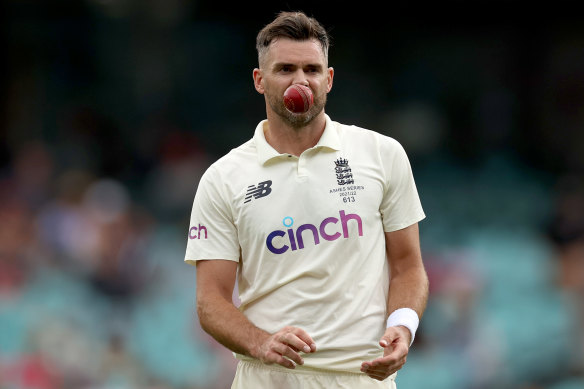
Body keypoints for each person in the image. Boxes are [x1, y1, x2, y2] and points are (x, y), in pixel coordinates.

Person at [185, 11, 428, 389]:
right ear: (259, 80)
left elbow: (408, 265)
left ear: (328, 80)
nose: (301, 81)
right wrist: (260, 342)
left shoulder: (382, 154)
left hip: (360, 378)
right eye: (285, 69)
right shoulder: (223, 178)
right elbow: (210, 301)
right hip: (269, 378)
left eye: (312, 69)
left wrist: (404, 325)